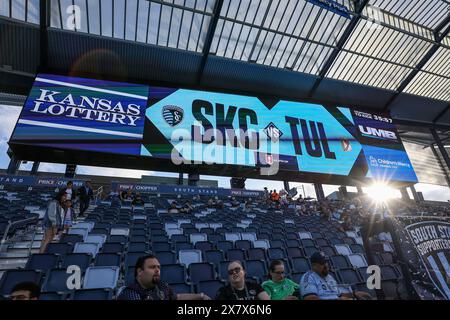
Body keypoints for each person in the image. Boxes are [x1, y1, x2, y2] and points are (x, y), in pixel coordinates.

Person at [117, 254, 210, 300]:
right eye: (152, 267)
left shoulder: (162, 285)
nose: (157, 270)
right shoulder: (130, 294)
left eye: (158, 267)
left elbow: (176, 297)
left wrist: (201, 296)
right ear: (140, 271)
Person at [300, 252, 372, 300]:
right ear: (314, 265)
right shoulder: (308, 277)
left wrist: (354, 294)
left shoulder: (329, 277)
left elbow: (338, 295)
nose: (326, 265)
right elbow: (310, 298)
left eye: (326, 262)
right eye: (322, 263)